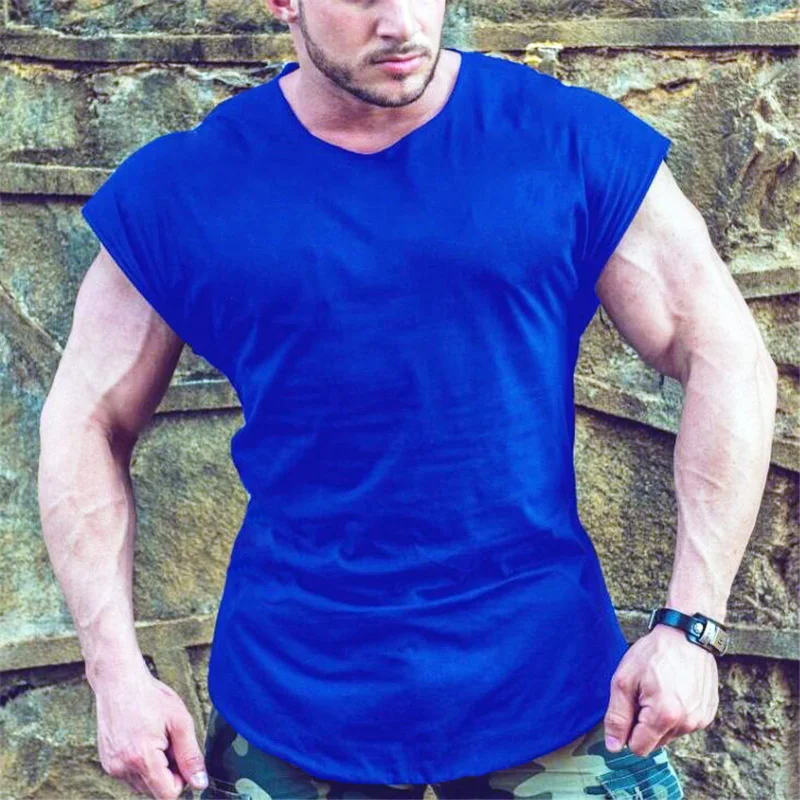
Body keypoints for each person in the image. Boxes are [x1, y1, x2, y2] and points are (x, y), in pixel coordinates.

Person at [37, 1, 778, 799]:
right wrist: (114, 671)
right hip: (294, 707)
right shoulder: (185, 189)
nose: (402, 22)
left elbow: (727, 356)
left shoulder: (563, 141)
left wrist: (691, 625)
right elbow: (86, 421)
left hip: (549, 693)